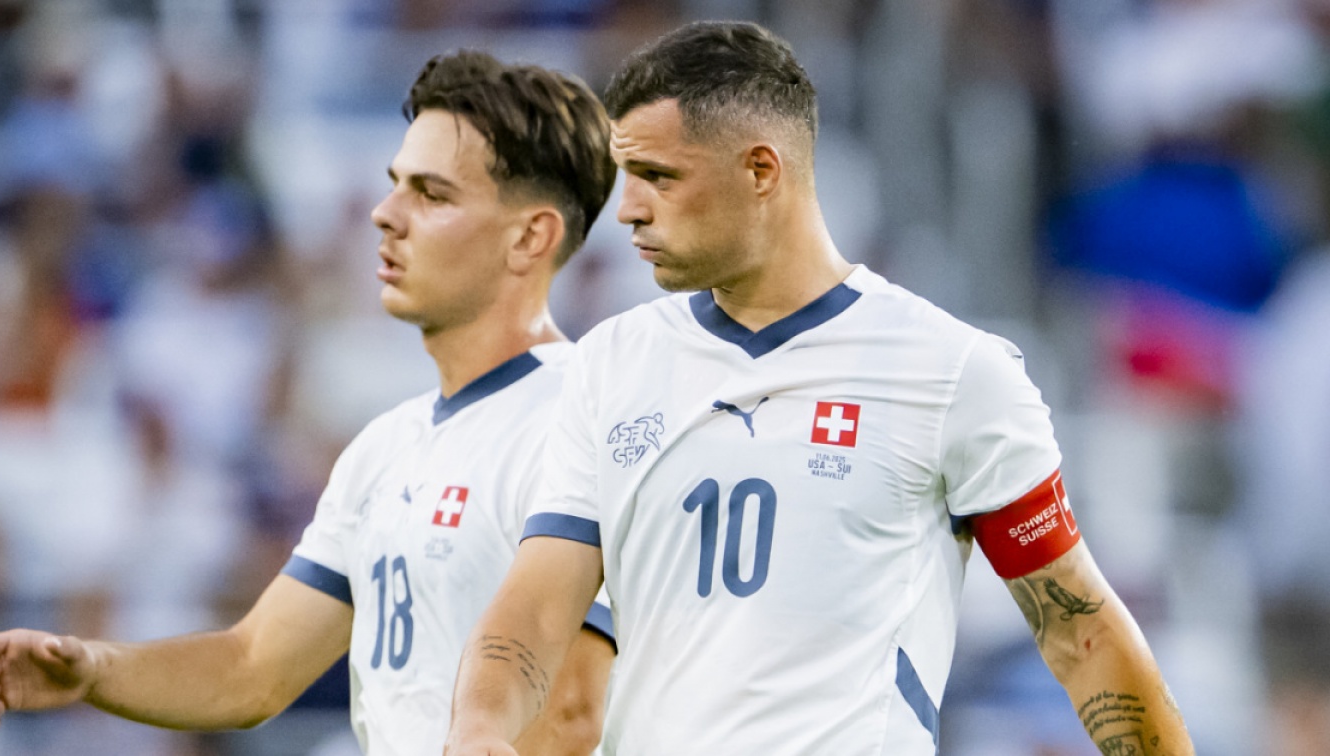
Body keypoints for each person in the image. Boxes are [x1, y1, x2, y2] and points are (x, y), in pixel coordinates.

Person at [443, 21, 1194, 756]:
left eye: (659, 177)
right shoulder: (611, 363)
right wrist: (477, 728)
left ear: (761, 172)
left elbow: (1079, 630)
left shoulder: (951, 372)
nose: (629, 209)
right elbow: (537, 610)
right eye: (626, 176)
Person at [0, 50, 619, 756]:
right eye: (395, 186)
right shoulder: (383, 450)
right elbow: (252, 670)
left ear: (530, 237)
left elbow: (575, 710)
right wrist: (93, 669)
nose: (385, 214)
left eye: (432, 195)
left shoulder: (585, 423)